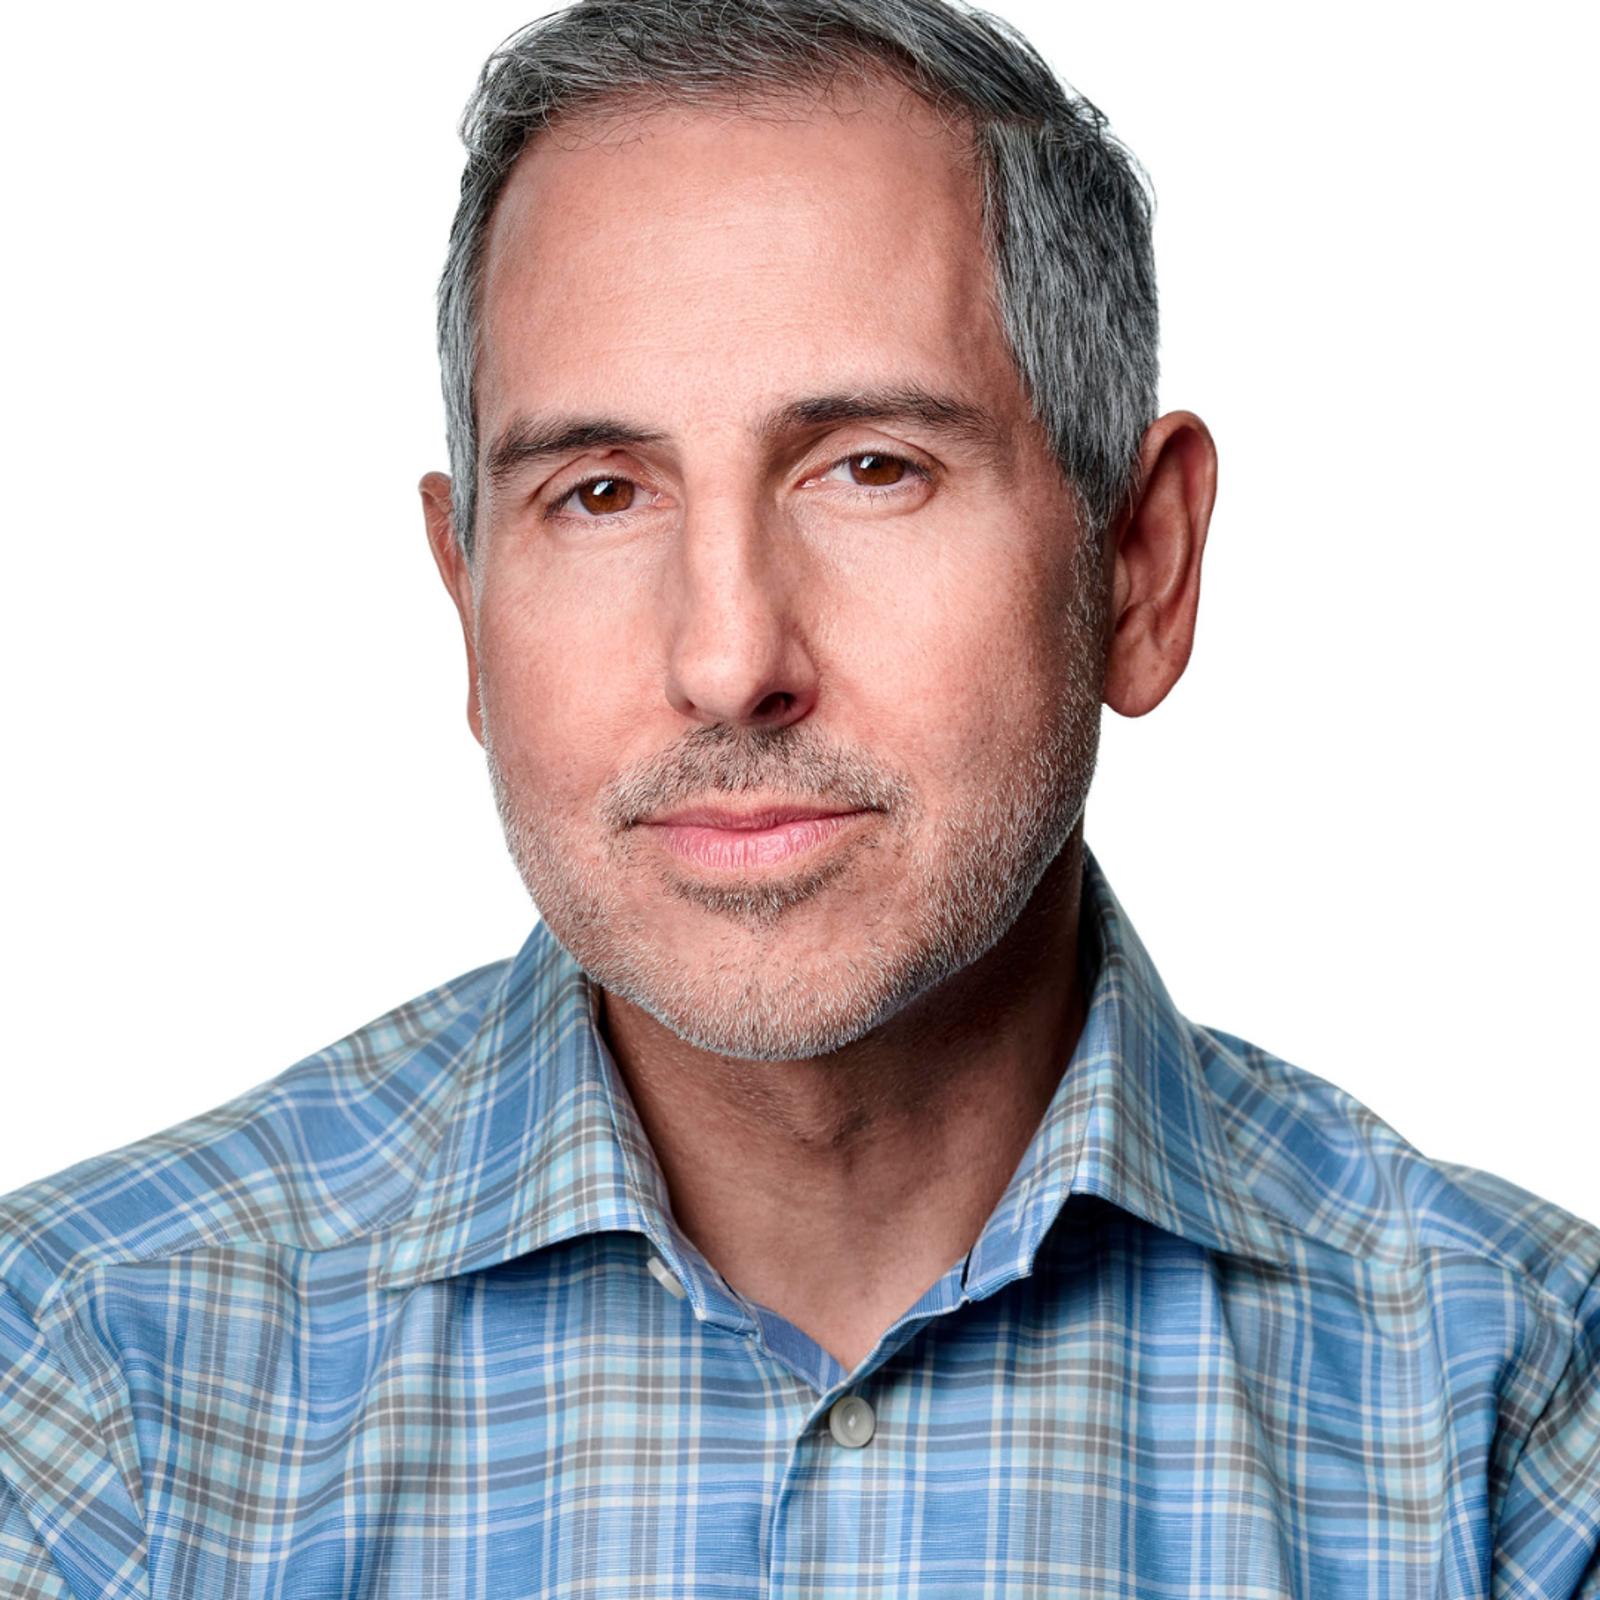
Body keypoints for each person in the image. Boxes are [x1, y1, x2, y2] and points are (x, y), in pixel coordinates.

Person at [1, 0, 1594, 1594]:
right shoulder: (88, 1379)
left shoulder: (1517, 1413)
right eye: (599, 494)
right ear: (465, 602)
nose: (727, 661)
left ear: (1140, 567)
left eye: (873, 467)